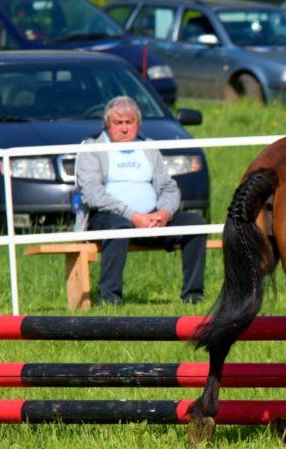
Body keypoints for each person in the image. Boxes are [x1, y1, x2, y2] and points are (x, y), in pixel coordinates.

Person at [75, 96, 206, 305]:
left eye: (130, 122)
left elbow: (168, 187)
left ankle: (193, 296)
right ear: (107, 125)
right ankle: (110, 298)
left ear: (139, 124)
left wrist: (164, 213)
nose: (124, 128)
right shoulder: (93, 149)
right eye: (118, 123)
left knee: (196, 224)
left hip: (152, 218)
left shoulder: (148, 148)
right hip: (108, 217)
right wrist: (133, 216)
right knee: (119, 227)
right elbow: (91, 193)